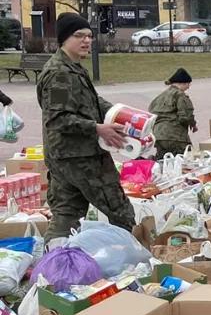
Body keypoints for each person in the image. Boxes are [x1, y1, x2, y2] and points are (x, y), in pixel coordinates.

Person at [36, 12, 136, 241]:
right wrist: (98, 128)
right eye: (79, 36)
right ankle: (134, 258)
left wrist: (120, 114)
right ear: (63, 39)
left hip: (66, 156)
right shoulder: (59, 74)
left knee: (66, 216)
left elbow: (92, 101)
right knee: (120, 211)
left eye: (89, 36)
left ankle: (53, 266)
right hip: (81, 157)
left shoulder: (73, 68)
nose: (86, 41)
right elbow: (57, 118)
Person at [149, 68, 197, 159]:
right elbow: (185, 117)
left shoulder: (160, 97)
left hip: (159, 136)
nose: (189, 86)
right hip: (176, 137)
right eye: (188, 84)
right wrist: (193, 124)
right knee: (186, 161)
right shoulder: (180, 95)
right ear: (182, 83)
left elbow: (151, 114)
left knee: (163, 162)